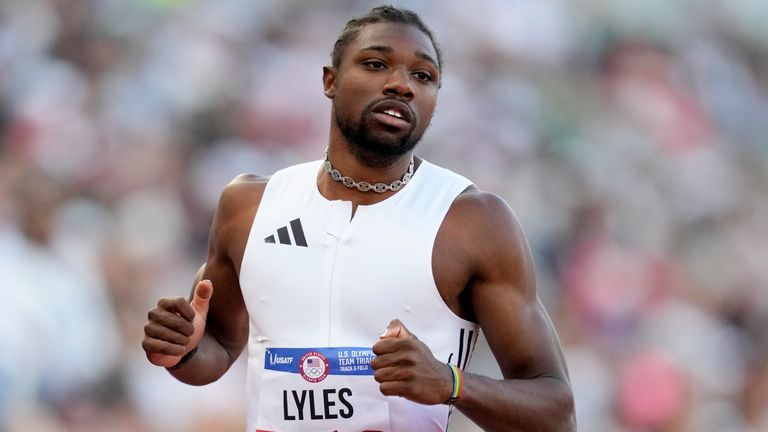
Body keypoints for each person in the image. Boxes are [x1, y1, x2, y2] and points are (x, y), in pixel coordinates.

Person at [142, 5, 576, 431]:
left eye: (423, 76)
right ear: (330, 81)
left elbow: (555, 414)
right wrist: (181, 349)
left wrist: (451, 383)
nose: (402, 85)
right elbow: (216, 349)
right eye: (375, 64)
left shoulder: (471, 221)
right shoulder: (249, 205)